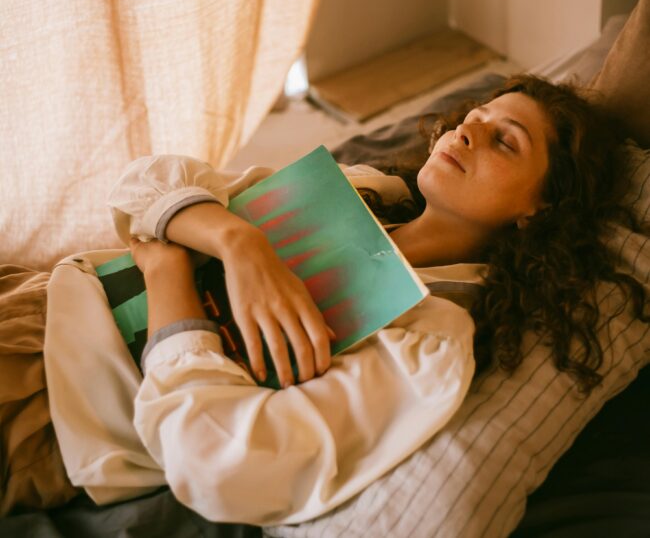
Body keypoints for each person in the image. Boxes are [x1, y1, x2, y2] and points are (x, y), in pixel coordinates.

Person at [1, 75, 645, 526]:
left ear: (541, 209)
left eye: (506, 141)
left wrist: (169, 265)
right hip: (37, 296)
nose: (467, 133)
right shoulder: (363, 191)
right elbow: (145, 181)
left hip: (53, 405)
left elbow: (219, 457)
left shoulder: (429, 335)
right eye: (474, 119)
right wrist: (237, 239)